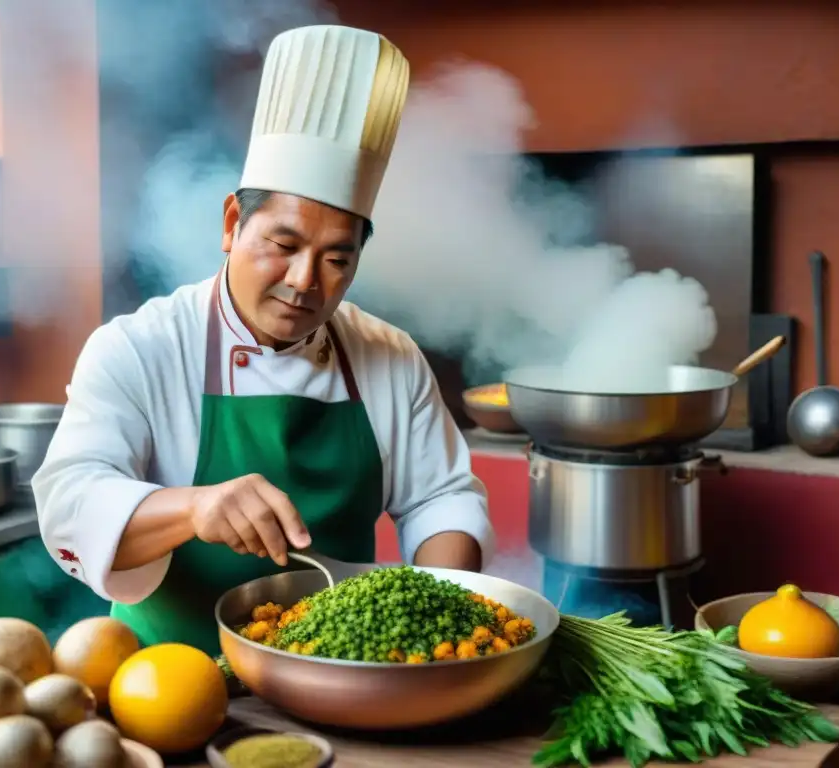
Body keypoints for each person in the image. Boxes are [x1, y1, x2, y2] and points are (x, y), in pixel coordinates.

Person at [33, 24, 495, 655]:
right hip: (171, 678)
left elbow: (441, 499)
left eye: (337, 259)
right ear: (232, 224)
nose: (304, 282)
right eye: (283, 246)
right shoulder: (139, 349)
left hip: (341, 670)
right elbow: (71, 500)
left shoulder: (389, 357)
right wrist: (194, 508)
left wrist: (439, 613)